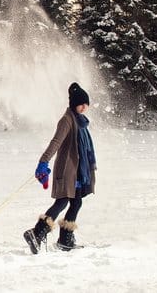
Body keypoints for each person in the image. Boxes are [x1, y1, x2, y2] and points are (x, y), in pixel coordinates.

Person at [23, 82, 97, 254]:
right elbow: (56, 142)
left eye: (86, 104)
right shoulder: (67, 121)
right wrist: (43, 162)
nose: (85, 107)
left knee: (76, 202)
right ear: (75, 104)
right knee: (63, 201)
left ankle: (65, 239)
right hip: (67, 170)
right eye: (81, 104)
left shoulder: (81, 122)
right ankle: (36, 233)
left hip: (77, 172)